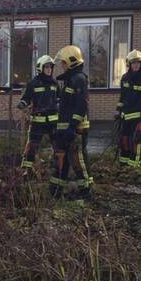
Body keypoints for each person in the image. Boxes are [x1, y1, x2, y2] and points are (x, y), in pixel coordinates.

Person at [52, 45, 90, 198]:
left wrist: (72, 127)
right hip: (64, 129)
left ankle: (85, 191)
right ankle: (56, 190)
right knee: (62, 160)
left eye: (64, 63)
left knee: (77, 160)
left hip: (75, 130)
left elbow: (81, 105)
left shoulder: (78, 80)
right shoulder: (70, 80)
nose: (62, 66)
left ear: (72, 62)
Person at [115, 50, 141, 168]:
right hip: (125, 116)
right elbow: (122, 97)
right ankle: (123, 165)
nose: (136, 65)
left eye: (138, 63)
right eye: (134, 63)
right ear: (129, 64)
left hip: (138, 117)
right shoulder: (125, 78)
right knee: (124, 141)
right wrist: (118, 110)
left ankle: (134, 167)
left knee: (136, 142)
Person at [18, 55, 59, 177]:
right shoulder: (33, 83)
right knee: (32, 146)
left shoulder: (55, 83)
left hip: (53, 121)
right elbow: (27, 98)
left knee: (57, 146)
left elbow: (59, 98)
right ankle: (27, 171)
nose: (49, 70)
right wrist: (22, 104)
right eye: (46, 67)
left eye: (50, 67)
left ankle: (57, 170)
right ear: (40, 68)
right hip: (38, 121)